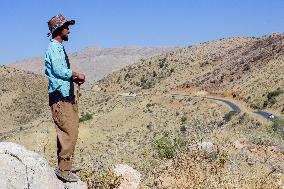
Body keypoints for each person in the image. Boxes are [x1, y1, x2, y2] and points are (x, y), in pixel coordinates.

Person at [45, 14, 85, 182]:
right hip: (60, 97)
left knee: (69, 130)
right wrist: (76, 74)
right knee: (68, 131)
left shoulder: (58, 47)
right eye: (67, 27)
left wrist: (73, 78)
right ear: (60, 30)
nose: (69, 30)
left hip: (64, 95)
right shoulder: (54, 47)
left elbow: (59, 72)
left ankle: (65, 165)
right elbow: (60, 70)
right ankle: (63, 169)